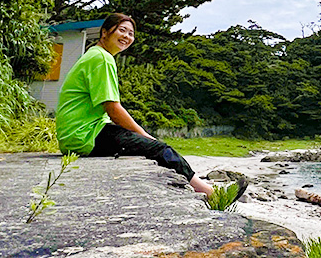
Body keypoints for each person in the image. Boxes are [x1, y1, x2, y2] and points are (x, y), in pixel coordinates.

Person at [55, 13, 214, 196]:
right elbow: (113, 109)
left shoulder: (95, 55)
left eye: (131, 33)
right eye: (122, 30)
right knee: (159, 148)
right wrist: (145, 136)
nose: (126, 36)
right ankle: (209, 192)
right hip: (84, 136)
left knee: (142, 143)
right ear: (105, 32)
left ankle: (202, 186)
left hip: (77, 135)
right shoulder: (102, 58)